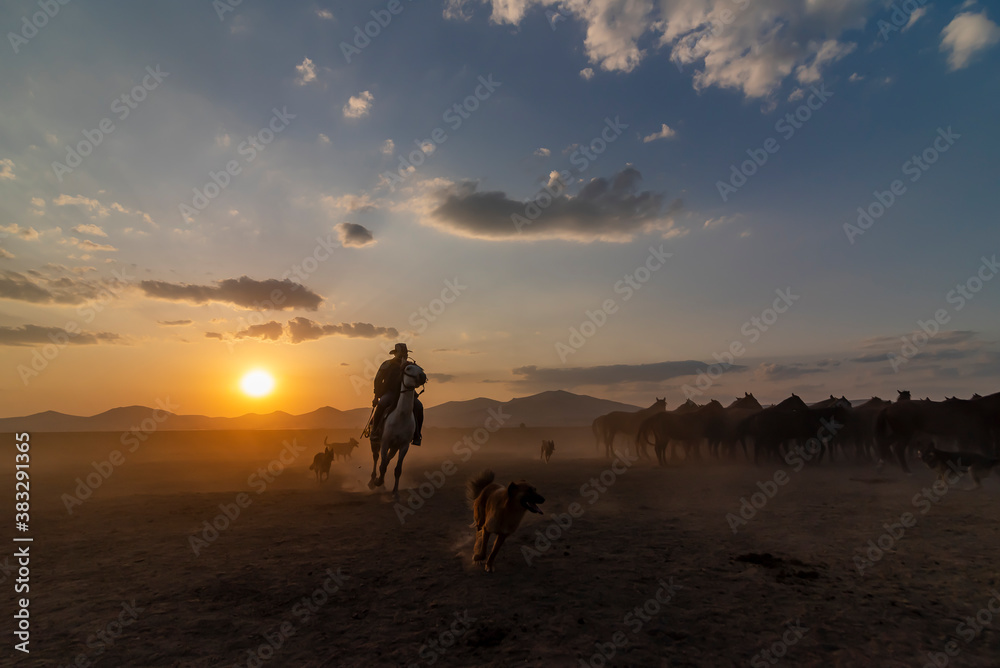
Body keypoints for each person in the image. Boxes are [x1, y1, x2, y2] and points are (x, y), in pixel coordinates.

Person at [370, 343, 424, 446]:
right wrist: (376, 396)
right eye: (402, 353)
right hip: (390, 393)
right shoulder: (387, 364)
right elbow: (378, 380)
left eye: (405, 353)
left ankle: (417, 434)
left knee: (419, 407)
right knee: (382, 404)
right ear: (395, 354)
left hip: (407, 395)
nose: (404, 355)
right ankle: (375, 431)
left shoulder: (410, 366)